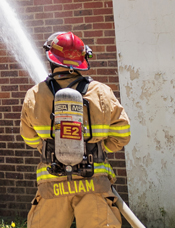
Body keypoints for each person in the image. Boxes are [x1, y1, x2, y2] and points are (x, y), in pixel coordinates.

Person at [20, 32, 131, 228]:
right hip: (94, 183)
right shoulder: (101, 92)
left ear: (51, 59)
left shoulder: (34, 95)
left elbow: (28, 136)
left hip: (52, 184)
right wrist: (99, 147)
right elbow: (122, 134)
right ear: (82, 60)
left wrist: (50, 148)